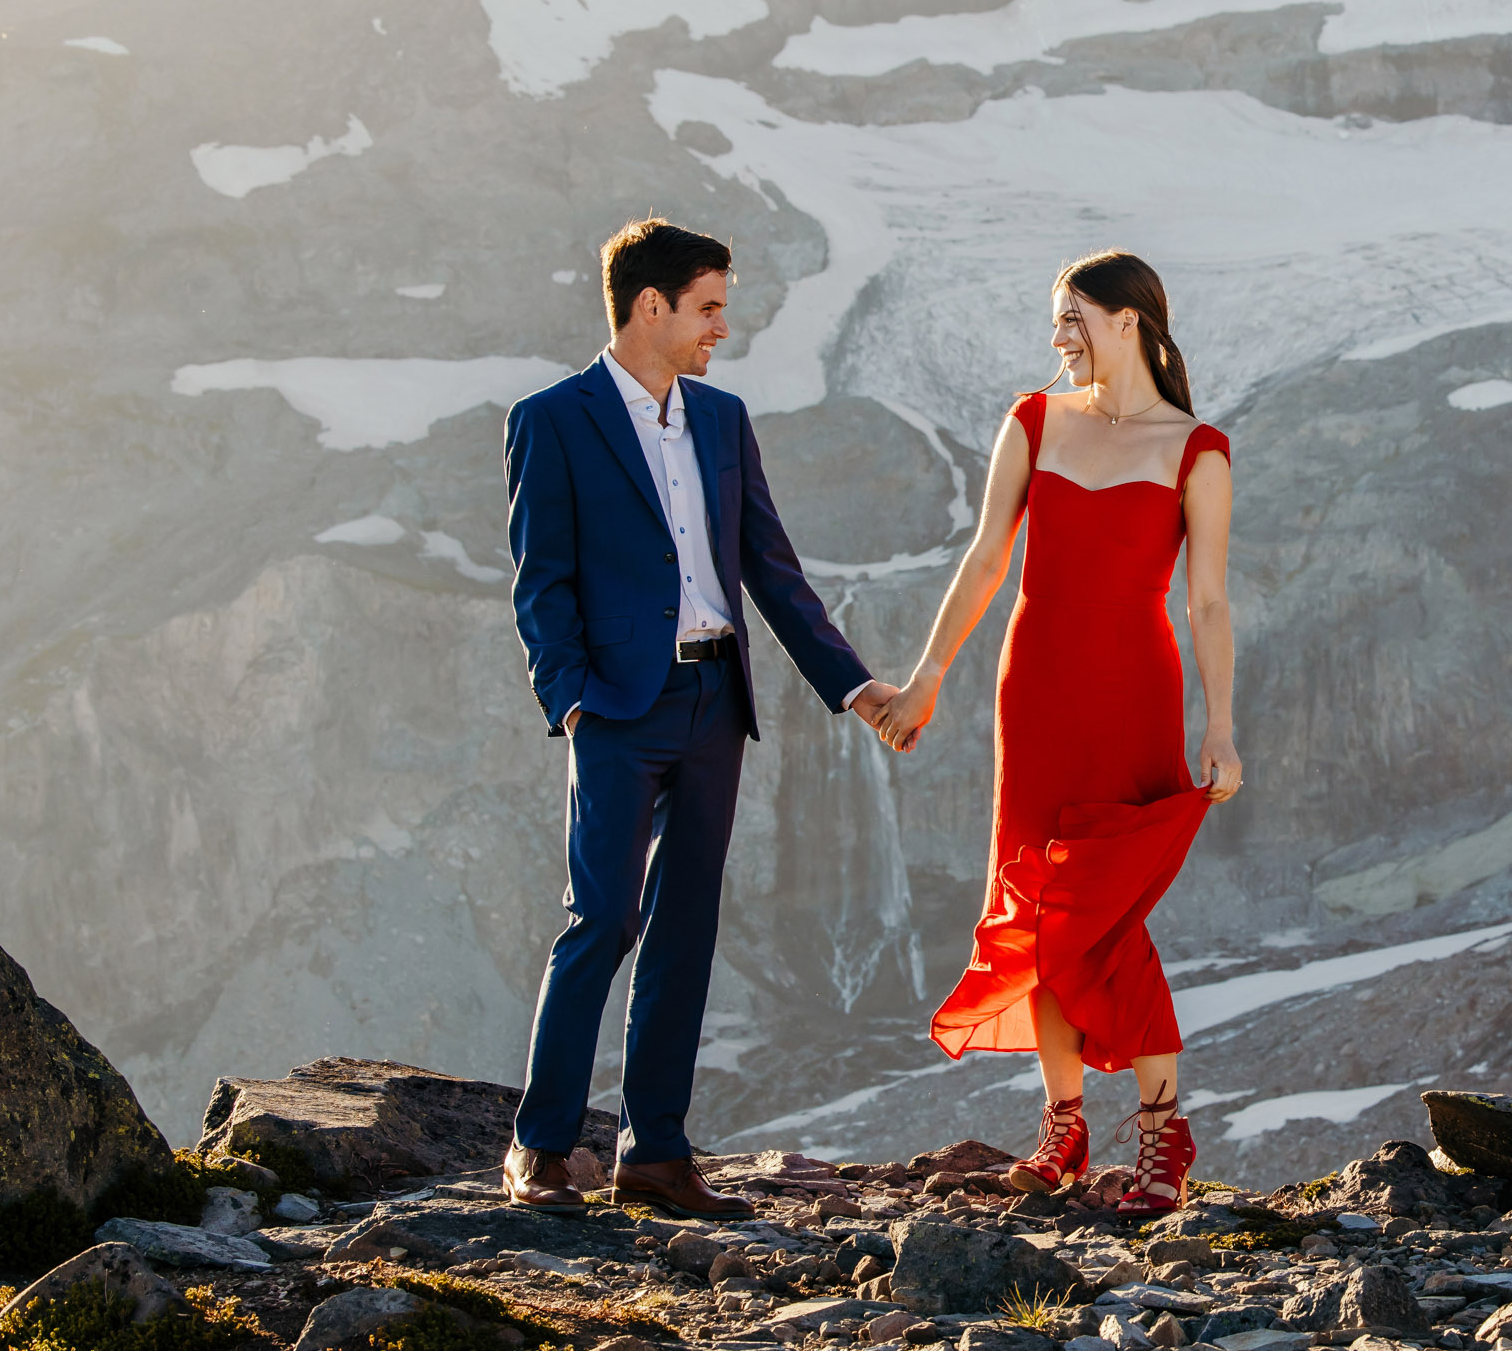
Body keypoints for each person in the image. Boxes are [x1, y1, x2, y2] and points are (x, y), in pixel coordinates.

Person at [501, 217, 897, 1219]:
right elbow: (540, 581)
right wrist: (572, 695)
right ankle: (540, 1146)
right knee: (604, 914)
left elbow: (772, 568)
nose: (723, 325)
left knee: (686, 925)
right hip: (618, 708)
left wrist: (854, 686)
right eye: (710, 307)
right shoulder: (552, 420)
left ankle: (655, 1153)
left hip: (717, 701)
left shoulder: (722, 420)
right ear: (651, 307)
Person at [873, 249, 1241, 1220]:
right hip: (1033, 690)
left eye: (1072, 317)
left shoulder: (1198, 449)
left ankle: (1164, 1132)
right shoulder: (1033, 421)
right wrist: (928, 676)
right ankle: (1064, 1125)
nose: (1057, 336)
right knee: (1038, 903)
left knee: (1104, 909)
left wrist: (1223, 724)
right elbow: (989, 556)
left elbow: (1206, 601)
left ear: (1130, 321)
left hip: (1134, 695)